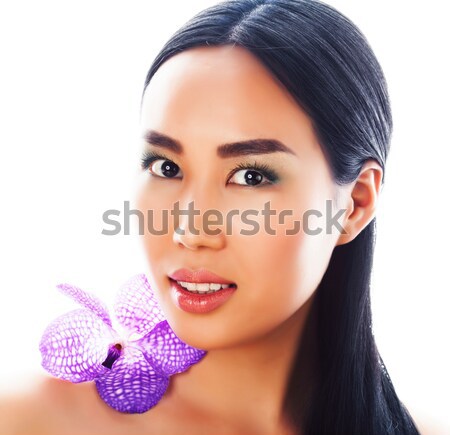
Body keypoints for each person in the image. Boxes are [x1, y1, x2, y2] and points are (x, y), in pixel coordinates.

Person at [0, 0, 437, 434]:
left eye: (250, 176)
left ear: (354, 204)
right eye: (166, 167)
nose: (191, 231)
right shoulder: (29, 422)